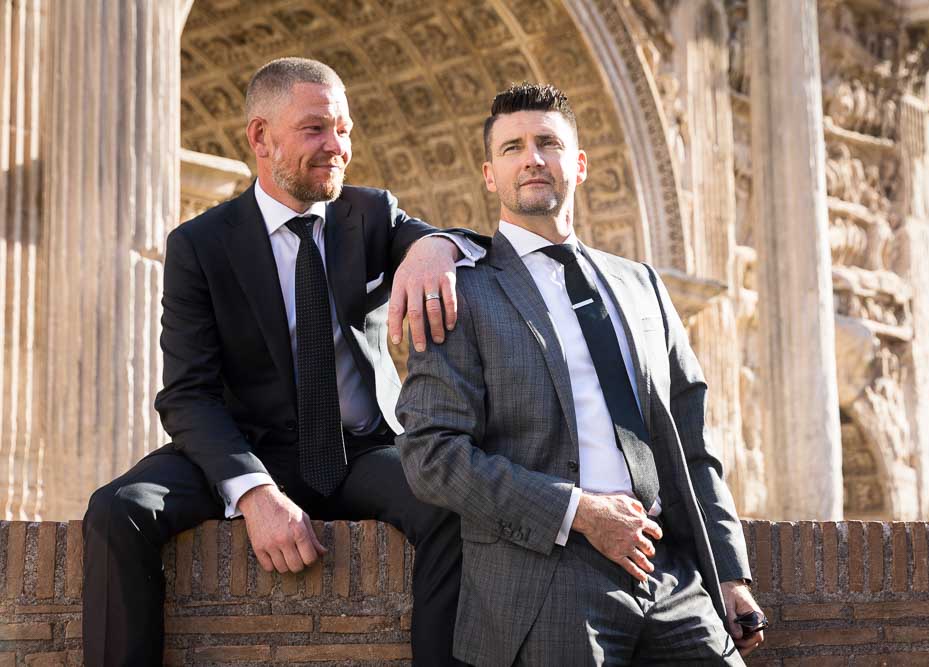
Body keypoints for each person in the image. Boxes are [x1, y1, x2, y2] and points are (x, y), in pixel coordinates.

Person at [82, 57, 486, 666]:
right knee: (118, 511)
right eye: (316, 130)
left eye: (344, 129)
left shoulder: (370, 213)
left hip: (363, 452)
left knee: (457, 503)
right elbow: (186, 394)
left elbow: (461, 241)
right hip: (247, 449)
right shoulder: (199, 245)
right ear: (260, 137)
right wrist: (253, 494)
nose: (338, 148)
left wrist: (437, 245)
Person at [397, 83, 766, 666]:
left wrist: (730, 571)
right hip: (543, 580)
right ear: (490, 175)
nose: (533, 159)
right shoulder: (459, 291)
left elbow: (693, 445)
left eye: (548, 142)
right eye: (512, 148)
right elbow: (431, 455)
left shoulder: (641, 285)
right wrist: (578, 512)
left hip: (671, 577)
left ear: (580, 163)